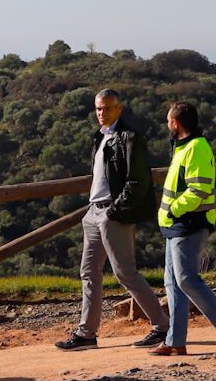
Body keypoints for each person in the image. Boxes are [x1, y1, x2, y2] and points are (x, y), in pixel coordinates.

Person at [54, 88, 169, 350]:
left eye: (106, 108)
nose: (101, 113)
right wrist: (95, 210)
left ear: (119, 108)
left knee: (124, 272)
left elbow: (138, 181)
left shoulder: (130, 137)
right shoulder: (100, 137)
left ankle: (162, 326)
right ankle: (87, 335)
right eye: (98, 109)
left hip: (112, 213)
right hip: (93, 212)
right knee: (88, 272)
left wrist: (115, 210)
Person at [149, 102, 216, 360]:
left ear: (175, 123)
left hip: (189, 223)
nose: (167, 125)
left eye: (168, 120)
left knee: (186, 280)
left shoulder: (196, 148)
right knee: (173, 282)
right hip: (177, 224)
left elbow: (199, 190)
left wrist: (173, 211)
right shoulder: (184, 147)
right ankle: (175, 341)